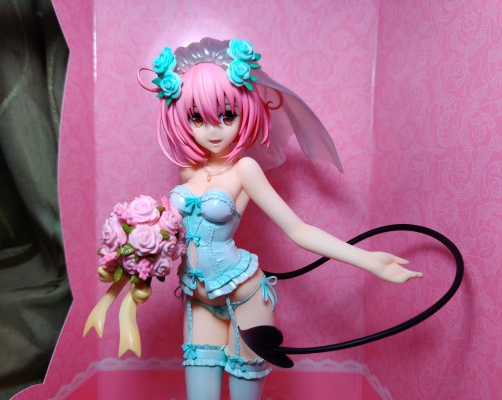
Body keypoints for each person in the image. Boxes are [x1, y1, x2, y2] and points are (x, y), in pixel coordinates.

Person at [139, 37, 423, 400]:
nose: (214, 130)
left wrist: (369, 261)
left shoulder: (245, 169)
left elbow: (297, 229)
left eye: (228, 115)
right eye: (197, 117)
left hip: (245, 298)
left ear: (244, 112)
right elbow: (177, 237)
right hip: (198, 299)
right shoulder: (187, 172)